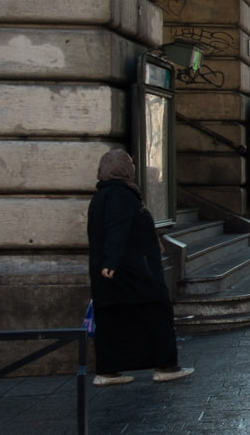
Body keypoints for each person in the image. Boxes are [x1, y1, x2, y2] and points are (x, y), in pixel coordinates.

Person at [87, 150, 194, 386]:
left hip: (109, 272)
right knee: (157, 310)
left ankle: (108, 370)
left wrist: (105, 265)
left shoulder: (101, 195)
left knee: (111, 319)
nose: (133, 167)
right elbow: (117, 229)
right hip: (131, 269)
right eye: (130, 164)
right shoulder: (121, 195)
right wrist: (111, 262)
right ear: (124, 169)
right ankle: (166, 366)